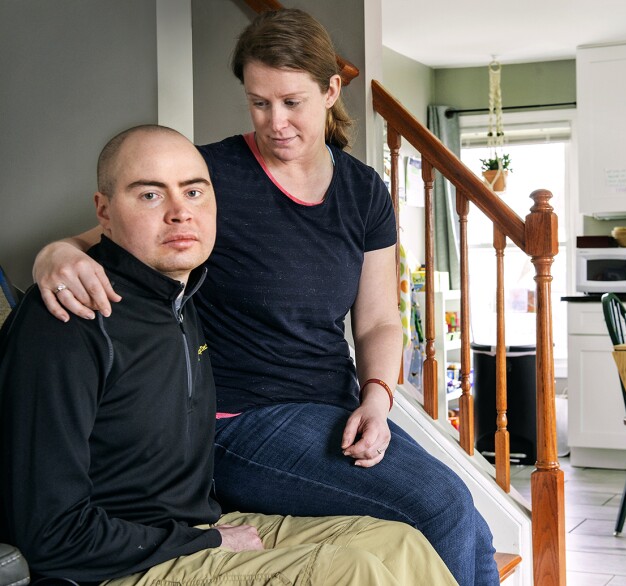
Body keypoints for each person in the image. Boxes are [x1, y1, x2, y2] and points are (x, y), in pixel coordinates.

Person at [32, 9, 499, 585]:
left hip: (334, 409)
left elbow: (377, 321)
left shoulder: (362, 190)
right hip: (237, 421)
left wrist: (377, 398)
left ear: (330, 91)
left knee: (465, 518)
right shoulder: (212, 175)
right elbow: (115, 230)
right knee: (441, 508)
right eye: (259, 102)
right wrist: (53, 253)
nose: (275, 121)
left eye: (291, 102)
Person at [0, 125, 456, 585]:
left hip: (196, 530)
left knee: (400, 544)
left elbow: (376, 320)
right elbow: (51, 534)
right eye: (150, 196)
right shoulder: (67, 319)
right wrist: (208, 543)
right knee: (350, 571)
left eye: (194, 192)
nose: (180, 213)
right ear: (104, 211)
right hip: (120, 564)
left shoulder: (182, 301)